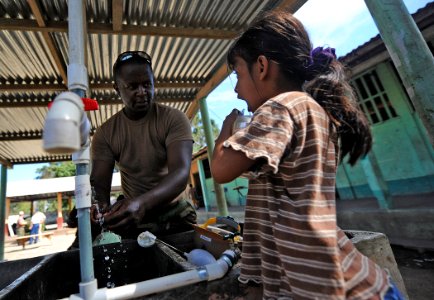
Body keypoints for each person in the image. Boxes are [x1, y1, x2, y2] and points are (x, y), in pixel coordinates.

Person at [211, 10, 404, 300]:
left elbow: (221, 169)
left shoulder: (281, 107)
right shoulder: (306, 108)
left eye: (237, 75)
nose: (237, 90)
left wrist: (226, 129)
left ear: (261, 66)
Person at [88, 50, 197, 241]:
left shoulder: (174, 119)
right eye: (132, 86)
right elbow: (99, 183)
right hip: (134, 218)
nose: (142, 92)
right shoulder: (105, 133)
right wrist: (99, 207)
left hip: (175, 212)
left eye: (147, 84)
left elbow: (180, 174)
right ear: (117, 88)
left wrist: (142, 204)